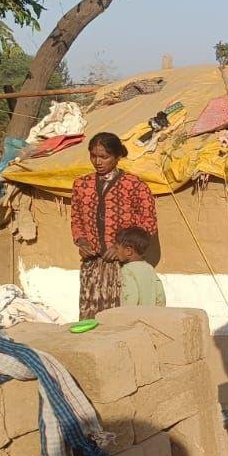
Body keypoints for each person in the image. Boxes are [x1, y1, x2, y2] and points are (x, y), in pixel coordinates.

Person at [70, 132, 157, 319]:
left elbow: (148, 224)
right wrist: (83, 242)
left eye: (104, 157)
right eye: (93, 156)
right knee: (91, 317)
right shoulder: (81, 185)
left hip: (123, 266)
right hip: (92, 266)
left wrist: (123, 248)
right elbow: (76, 219)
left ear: (117, 157)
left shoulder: (135, 185)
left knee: (120, 317)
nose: (98, 162)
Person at [115, 226, 166, 307]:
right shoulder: (149, 268)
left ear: (128, 251)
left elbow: (131, 296)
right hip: (150, 316)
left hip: (134, 316)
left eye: (117, 248)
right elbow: (160, 296)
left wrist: (124, 315)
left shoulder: (127, 270)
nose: (116, 252)